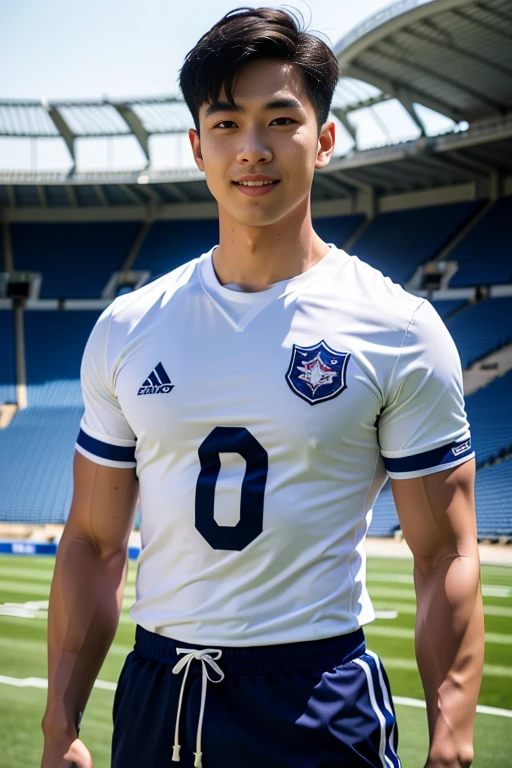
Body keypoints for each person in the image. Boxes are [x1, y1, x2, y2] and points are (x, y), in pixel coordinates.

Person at [41, 7, 484, 768]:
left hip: (318, 696)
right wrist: (60, 725)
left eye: (281, 119)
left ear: (325, 140)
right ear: (197, 147)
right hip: (161, 692)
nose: (253, 148)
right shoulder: (128, 327)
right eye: (225, 123)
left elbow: (444, 551)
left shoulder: (399, 329)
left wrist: (451, 732)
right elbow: (92, 540)